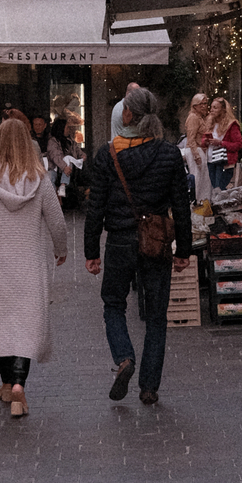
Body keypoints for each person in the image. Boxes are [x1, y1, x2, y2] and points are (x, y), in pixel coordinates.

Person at [84, 86, 193, 406]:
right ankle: (149, 387)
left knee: (114, 304)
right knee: (157, 316)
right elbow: (181, 206)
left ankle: (124, 358)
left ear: (128, 115)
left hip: (119, 241)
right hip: (156, 243)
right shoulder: (169, 153)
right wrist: (183, 251)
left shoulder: (108, 154)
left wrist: (91, 251)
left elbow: (96, 207)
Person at [0, 117, 67, 417]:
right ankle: (19, 386)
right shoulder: (40, 178)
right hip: (30, 264)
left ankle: (7, 383)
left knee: (1, 325)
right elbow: (56, 220)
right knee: (26, 327)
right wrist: (61, 250)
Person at [206, 97, 242, 190]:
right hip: (210, 160)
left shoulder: (231, 125)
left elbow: (238, 144)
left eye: (215, 108)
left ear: (223, 109)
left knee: (219, 188)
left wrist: (221, 143)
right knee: (213, 189)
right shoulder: (210, 123)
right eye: (211, 107)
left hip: (224, 162)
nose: (211, 110)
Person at [182, 93, 212, 202]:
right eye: (201, 104)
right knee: (198, 179)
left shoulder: (199, 117)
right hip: (194, 150)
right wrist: (196, 155)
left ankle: (203, 202)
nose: (204, 106)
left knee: (204, 180)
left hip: (199, 149)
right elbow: (191, 138)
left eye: (205, 103)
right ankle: (198, 202)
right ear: (195, 106)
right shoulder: (193, 118)